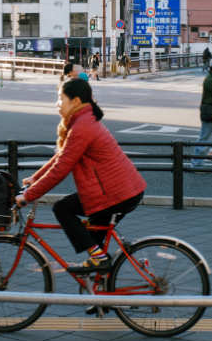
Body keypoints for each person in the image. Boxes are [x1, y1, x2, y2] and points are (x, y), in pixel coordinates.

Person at [15, 78, 145, 274]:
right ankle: (99, 298)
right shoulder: (83, 120)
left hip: (114, 195)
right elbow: (62, 156)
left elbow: (61, 168)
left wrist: (28, 195)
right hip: (120, 191)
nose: (57, 104)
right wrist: (35, 179)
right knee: (94, 248)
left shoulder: (82, 126)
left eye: (60, 99)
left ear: (75, 101)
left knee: (62, 209)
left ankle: (99, 260)